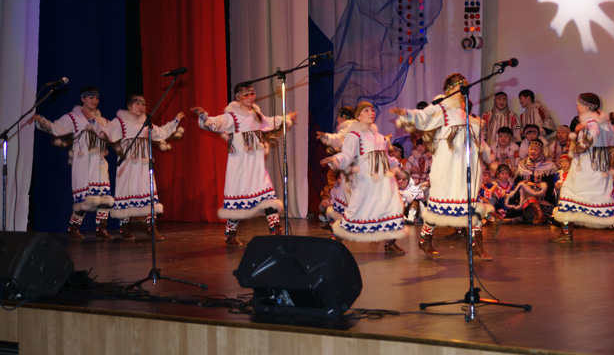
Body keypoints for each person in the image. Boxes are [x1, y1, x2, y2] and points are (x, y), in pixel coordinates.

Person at [392, 73, 494, 260]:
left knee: (472, 205)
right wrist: (407, 113)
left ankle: (477, 244)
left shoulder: (471, 119)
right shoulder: (443, 109)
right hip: (448, 169)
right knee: (438, 205)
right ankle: (425, 239)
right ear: (449, 89)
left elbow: (480, 144)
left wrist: (490, 158)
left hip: (467, 171)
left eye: (465, 85)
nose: (464, 89)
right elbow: (424, 116)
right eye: (460, 85)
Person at [192, 82, 295, 247]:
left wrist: (286, 118)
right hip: (240, 166)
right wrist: (204, 117)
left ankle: (276, 231)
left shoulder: (256, 114)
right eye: (246, 95)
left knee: (268, 197)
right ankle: (230, 234)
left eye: (252, 94)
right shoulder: (232, 116)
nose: (250, 97)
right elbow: (216, 122)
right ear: (238, 97)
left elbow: (269, 122)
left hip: (257, 166)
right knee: (238, 201)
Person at [320, 101, 407, 255]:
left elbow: (385, 157)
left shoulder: (380, 138)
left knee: (395, 208)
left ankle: (390, 243)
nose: (371, 113)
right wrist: (335, 159)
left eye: (372, 110)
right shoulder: (354, 136)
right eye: (366, 110)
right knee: (355, 213)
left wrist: (398, 166)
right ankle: (335, 241)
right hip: (365, 182)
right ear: (358, 116)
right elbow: (346, 155)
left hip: (384, 183)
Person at [33, 86, 115, 240]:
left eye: (97, 98)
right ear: (83, 99)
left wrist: (95, 121)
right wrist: (42, 121)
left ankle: (101, 229)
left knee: (105, 196)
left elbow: (111, 135)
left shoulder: (103, 120)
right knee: (84, 199)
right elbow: (57, 129)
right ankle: (73, 227)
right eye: (91, 97)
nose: (94, 101)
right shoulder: (73, 117)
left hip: (99, 162)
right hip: (83, 162)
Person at [104, 94, 184, 241]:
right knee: (126, 191)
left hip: (144, 164)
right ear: (129, 106)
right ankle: (124, 228)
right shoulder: (120, 121)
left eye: (143, 104)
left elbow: (161, 133)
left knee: (149, 191)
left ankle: (151, 228)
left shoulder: (147, 123)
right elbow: (104, 132)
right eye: (138, 104)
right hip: (127, 166)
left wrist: (176, 120)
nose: (141, 107)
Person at [551, 93, 614, 243]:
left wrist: (577, 148)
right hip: (598, 168)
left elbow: (591, 136)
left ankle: (567, 233)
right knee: (599, 203)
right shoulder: (604, 122)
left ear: (586, 107)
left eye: (579, 104)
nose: (577, 107)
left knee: (568, 195)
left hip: (587, 169)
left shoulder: (591, 122)